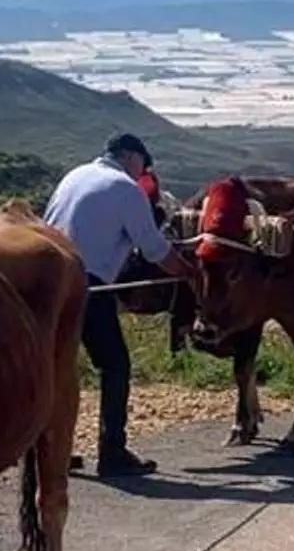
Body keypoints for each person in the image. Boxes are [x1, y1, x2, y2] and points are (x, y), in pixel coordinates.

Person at [43, 133, 196, 477]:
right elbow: (155, 250)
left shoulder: (75, 175)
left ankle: (51, 450)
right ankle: (112, 451)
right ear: (130, 157)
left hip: (45, 281)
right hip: (85, 284)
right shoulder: (126, 188)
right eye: (144, 165)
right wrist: (188, 272)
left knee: (55, 367)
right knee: (115, 366)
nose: (144, 173)